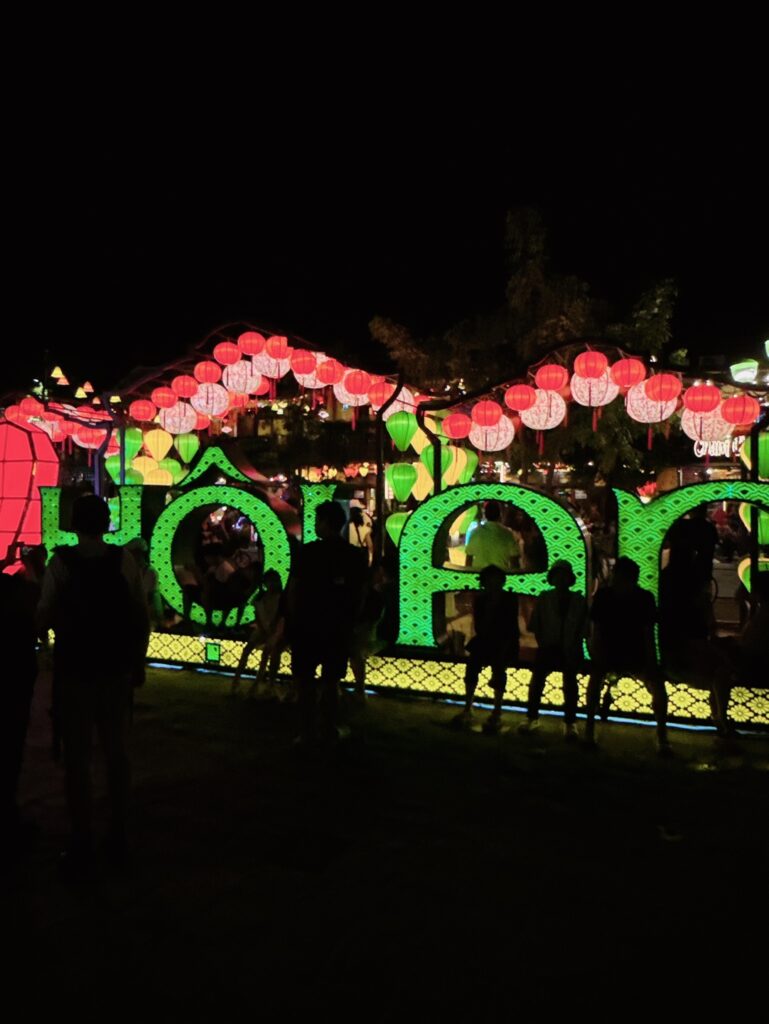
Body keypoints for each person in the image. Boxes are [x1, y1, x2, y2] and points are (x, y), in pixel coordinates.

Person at [37, 496, 150, 877]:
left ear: (73, 523)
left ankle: (82, 838)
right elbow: (141, 613)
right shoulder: (124, 560)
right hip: (116, 671)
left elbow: (43, 615)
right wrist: (138, 662)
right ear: (106, 523)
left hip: (75, 672)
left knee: (78, 760)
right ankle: (119, 833)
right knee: (117, 755)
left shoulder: (60, 564)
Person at [287, 501, 368, 746]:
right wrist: (352, 619)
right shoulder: (354, 555)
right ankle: (329, 728)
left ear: (325, 522)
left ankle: (307, 731)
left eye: (316, 520)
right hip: (337, 625)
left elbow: (294, 588)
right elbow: (362, 593)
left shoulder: (308, 552)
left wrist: (292, 619)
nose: (314, 525)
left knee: (305, 680)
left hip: (307, 624)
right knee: (331, 681)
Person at [585, 557, 670, 754]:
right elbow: (647, 634)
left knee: (596, 680)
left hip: (624, 653)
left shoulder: (609, 596)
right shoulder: (640, 598)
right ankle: (662, 736)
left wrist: (650, 663)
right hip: (622, 653)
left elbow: (597, 630)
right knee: (656, 686)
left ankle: (590, 729)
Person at [659, 542, 734, 739]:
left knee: (719, 670)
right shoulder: (690, 582)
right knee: (722, 669)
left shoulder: (667, 578)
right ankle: (720, 719)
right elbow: (704, 612)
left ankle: (719, 719)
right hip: (686, 643)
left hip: (677, 642)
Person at [0, 545, 41, 858]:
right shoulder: (18, 591)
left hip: (16, 679)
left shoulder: (15, 587)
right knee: (10, 748)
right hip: (15, 680)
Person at [520, 561, 588, 739]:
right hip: (553, 647)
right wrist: (544, 644)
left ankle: (565, 721)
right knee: (545, 682)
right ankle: (563, 722)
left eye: (563, 575)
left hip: (567, 648)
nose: (561, 579)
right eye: (558, 575)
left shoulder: (575, 601)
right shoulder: (552, 599)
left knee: (566, 684)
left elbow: (583, 629)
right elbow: (537, 625)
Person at [452, 565, 519, 735]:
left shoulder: (507, 599)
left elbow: (510, 626)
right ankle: (470, 706)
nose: (492, 583)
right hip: (488, 639)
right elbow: (481, 625)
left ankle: (495, 710)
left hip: (503, 641)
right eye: (490, 580)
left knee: (498, 670)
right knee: (473, 668)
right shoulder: (483, 599)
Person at [230, 570, 287, 697]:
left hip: (277, 630)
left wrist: (274, 633)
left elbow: (282, 618)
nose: (270, 585)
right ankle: (237, 680)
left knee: (268, 652)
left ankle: (261, 684)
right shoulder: (261, 597)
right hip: (263, 629)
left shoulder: (282, 598)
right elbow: (258, 617)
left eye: (272, 581)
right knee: (247, 650)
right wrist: (264, 629)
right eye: (268, 582)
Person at [465, 500, 519, 571]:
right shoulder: (508, 534)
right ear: (500, 515)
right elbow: (514, 561)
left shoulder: (475, 532)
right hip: (500, 576)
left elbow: (469, 558)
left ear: (485, 515)